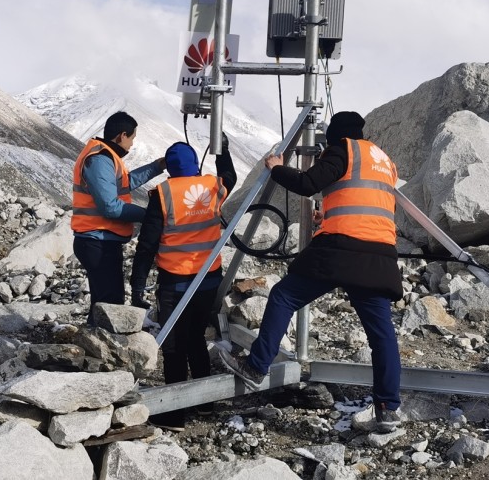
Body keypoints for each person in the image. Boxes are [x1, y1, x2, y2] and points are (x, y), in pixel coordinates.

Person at [218, 111, 404, 433]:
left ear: (335, 136)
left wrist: (277, 168)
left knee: (284, 296)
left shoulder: (343, 149)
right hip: (379, 256)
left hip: (340, 251)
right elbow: (363, 202)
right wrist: (327, 217)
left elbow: (308, 184)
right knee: (381, 335)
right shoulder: (383, 160)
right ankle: (387, 407)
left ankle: (256, 366)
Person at [130, 136, 236, 431]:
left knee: (174, 345)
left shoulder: (162, 194)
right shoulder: (213, 186)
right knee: (196, 338)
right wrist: (223, 150)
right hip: (207, 280)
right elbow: (231, 176)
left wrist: (137, 282)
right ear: (194, 163)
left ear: (171, 169)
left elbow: (147, 244)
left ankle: (174, 413)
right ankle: (205, 402)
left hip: (175, 284)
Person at [71, 111, 166, 324]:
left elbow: (124, 183)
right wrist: (151, 216)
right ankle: (103, 350)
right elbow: (110, 207)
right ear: (122, 135)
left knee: (103, 302)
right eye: (132, 138)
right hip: (96, 241)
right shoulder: (99, 159)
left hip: (99, 240)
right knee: (110, 304)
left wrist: (156, 167)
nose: (132, 144)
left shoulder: (105, 157)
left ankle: (93, 344)